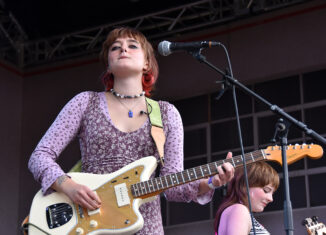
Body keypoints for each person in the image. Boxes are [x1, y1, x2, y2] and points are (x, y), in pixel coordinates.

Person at [28, 26, 235, 234]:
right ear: (108, 64)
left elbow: (173, 186)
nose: (123, 50)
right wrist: (68, 186)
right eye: (115, 48)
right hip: (92, 224)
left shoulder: (165, 113)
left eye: (132, 46)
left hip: (146, 227)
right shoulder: (85, 103)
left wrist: (210, 182)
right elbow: (40, 156)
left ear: (147, 63)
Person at [214, 161, 279, 235]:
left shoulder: (239, 210)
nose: (271, 199)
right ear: (245, 185)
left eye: (272, 193)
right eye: (266, 190)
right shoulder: (239, 209)